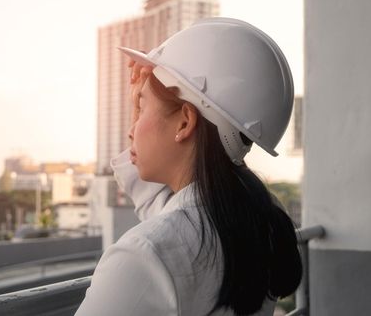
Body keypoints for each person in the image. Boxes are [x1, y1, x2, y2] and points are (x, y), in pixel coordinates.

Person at [75, 17, 302, 316]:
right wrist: (143, 103)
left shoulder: (143, 255)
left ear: (185, 121)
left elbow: (168, 230)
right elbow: (166, 212)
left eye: (141, 108)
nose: (132, 129)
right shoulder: (261, 217)